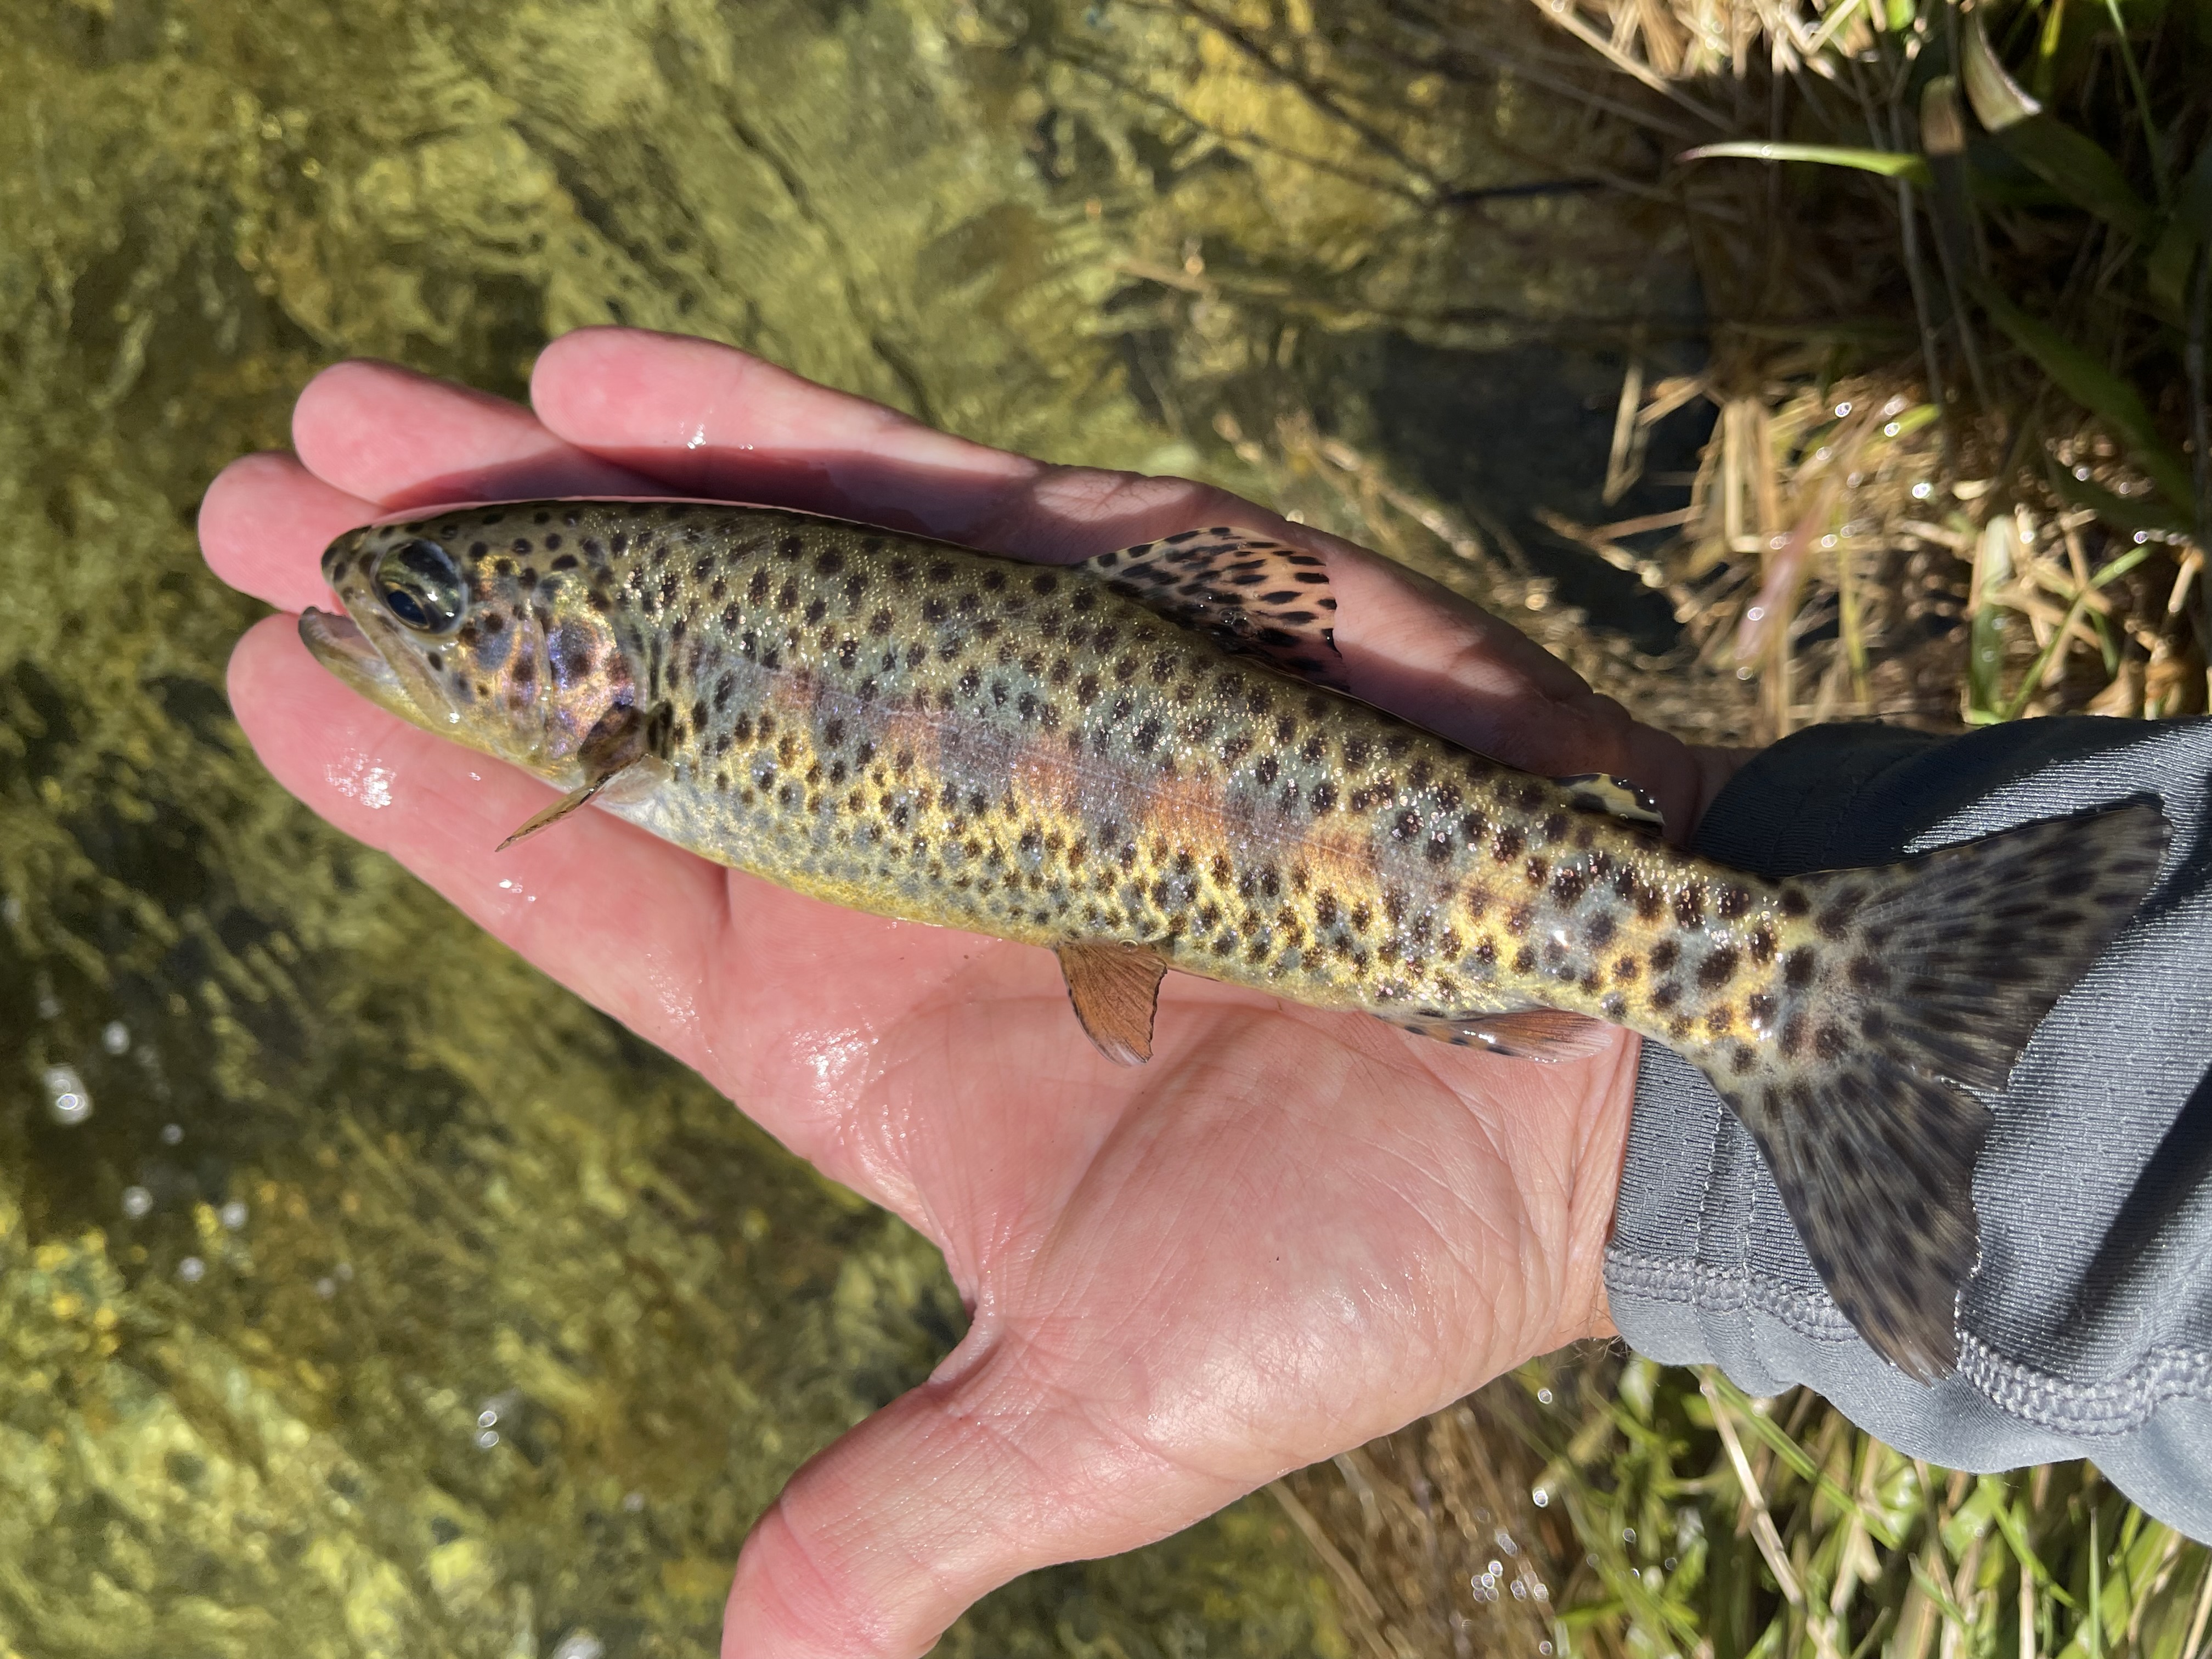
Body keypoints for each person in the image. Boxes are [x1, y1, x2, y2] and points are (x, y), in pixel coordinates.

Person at [199, 327, 2212, 1659]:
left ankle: (1787, 991)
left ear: (588, 670)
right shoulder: (641, 689)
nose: (394, 616)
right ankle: (1789, 986)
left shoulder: (638, 724)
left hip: (1371, 859)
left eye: (442, 609)